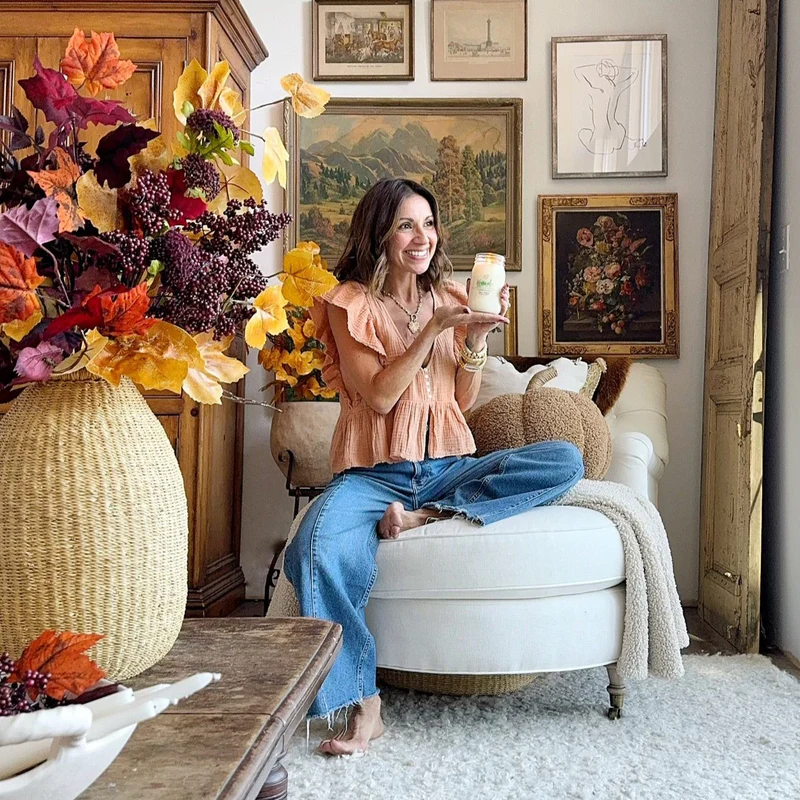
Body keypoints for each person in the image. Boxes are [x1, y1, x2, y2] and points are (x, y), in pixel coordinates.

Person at [283, 178, 584, 757]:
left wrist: (473, 338)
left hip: (447, 468)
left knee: (563, 458)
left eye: (428, 223)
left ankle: (424, 516)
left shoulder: (451, 296)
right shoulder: (350, 303)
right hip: (375, 476)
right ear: (379, 234)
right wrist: (432, 332)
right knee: (314, 547)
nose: (422, 238)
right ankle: (363, 701)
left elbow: (463, 400)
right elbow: (377, 397)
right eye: (405, 225)